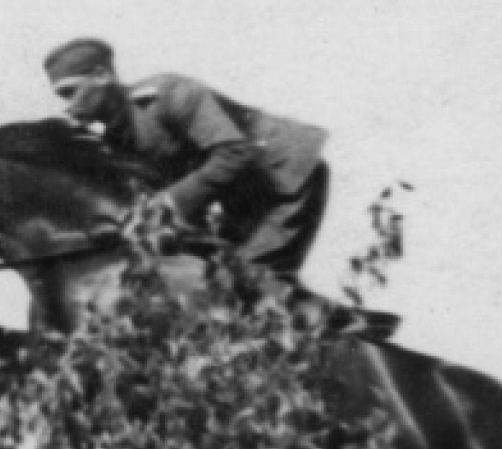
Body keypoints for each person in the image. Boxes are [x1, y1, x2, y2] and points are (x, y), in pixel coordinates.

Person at [43, 37, 331, 290]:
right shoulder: (117, 138)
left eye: (70, 91)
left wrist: (169, 202)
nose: (68, 106)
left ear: (101, 75)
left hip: (285, 176)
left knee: (245, 285)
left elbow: (234, 151)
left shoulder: (169, 94)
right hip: (244, 194)